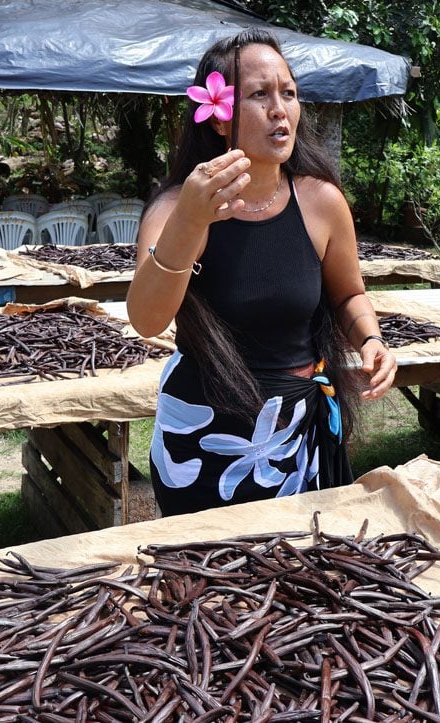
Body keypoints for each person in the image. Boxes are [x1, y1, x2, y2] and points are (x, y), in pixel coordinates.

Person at [127, 29, 396, 516]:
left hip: (299, 435)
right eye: (260, 94)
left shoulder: (321, 202)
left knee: (298, 579)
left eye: (289, 93)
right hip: (202, 441)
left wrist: (371, 340)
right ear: (218, 114)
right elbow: (147, 319)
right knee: (203, 582)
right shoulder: (176, 207)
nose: (280, 109)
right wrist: (190, 220)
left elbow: (347, 296)